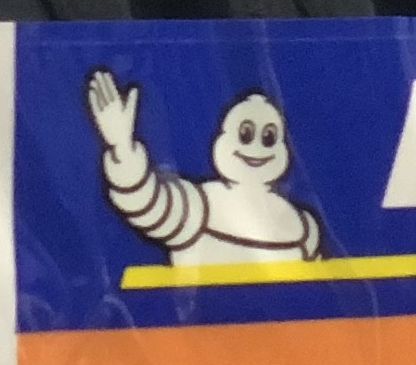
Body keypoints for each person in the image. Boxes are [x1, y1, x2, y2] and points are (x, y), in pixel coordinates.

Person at [85, 69, 324, 267]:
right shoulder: (197, 206)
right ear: (223, 140)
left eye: (269, 137)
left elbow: (321, 287)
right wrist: (122, 148)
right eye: (245, 134)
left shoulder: (304, 229)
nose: (256, 148)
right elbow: (145, 202)